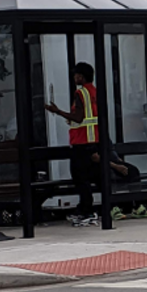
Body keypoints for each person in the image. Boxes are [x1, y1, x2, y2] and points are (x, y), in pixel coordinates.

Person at [44, 62, 101, 226]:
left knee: (80, 178)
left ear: (81, 77)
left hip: (81, 142)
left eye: (76, 75)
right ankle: (86, 209)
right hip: (94, 140)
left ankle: (86, 211)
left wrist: (58, 112)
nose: (74, 78)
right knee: (90, 178)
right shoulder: (94, 92)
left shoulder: (80, 93)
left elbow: (79, 118)